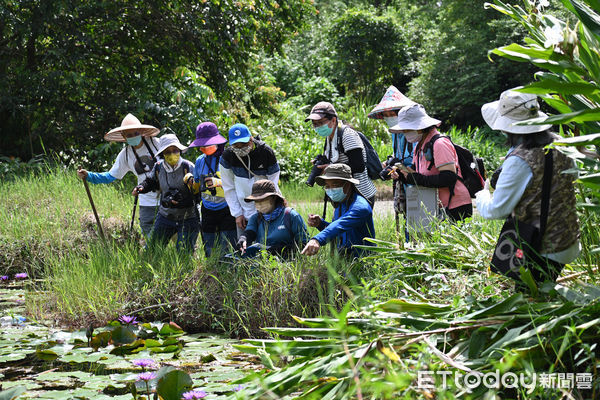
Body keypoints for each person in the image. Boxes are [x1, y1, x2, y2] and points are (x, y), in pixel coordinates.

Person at [477, 88, 580, 283]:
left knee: (529, 303)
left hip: (539, 246)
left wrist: (482, 194)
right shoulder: (562, 143)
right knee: (542, 295)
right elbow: (570, 178)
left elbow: (495, 210)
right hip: (567, 238)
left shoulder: (519, 160)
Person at [77, 113, 160, 237]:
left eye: (136, 133)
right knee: (151, 238)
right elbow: (110, 176)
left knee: (174, 233)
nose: (133, 137)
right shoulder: (126, 154)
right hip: (146, 201)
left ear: (141, 131)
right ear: (123, 136)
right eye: (129, 135)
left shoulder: (156, 143)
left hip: (165, 197)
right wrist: (89, 175)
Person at [390, 104, 473, 222]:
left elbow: (449, 177)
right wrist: (402, 175)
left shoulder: (440, 144)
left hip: (455, 206)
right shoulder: (420, 146)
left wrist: (416, 179)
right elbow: (416, 173)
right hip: (436, 206)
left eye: (406, 129)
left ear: (419, 127)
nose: (404, 133)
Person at [133, 134, 200, 253]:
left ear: (179, 150)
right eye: (167, 152)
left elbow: (198, 193)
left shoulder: (188, 167)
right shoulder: (159, 167)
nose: (172, 154)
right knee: (152, 250)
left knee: (184, 253)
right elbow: (150, 182)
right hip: (165, 216)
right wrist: (141, 187)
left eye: (175, 150)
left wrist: (183, 202)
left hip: (188, 217)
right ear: (162, 154)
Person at [305, 102, 377, 207]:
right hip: (343, 194)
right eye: (314, 124)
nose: (317, 127)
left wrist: (330, 168)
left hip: (359, 194)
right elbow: (337, 160)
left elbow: (359, 166)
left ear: (333, 120)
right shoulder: (330, 136)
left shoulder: (347, 135)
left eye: (320, 123)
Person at [367, 85, 415, 233]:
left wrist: (401, 169)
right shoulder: (395, 133)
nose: (388, 118)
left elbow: (416, 160)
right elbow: (398, 155)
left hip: (416, 182)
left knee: (417, 221)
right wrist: (389, 164)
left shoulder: (415, 131)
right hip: (403, 182)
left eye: (390, 114)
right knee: (405, 217)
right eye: (385, 115)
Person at [219, 123, 280, 238]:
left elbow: (274, 183)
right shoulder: (227, 156)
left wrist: (270, 208)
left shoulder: (266, 152)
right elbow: (228, 187)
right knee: (245, 247)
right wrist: (237, 214)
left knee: (270, 244)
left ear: (251, 139)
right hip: (244, 212)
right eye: (236, 145)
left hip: (268, 210)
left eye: (244, 144)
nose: (240, 148)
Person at [301, 164, 375, 258]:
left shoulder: (360, 207)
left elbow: (340, 225)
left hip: (362, 261)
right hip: (344, 259)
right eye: (327, 186)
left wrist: (317, 240)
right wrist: (320, 224)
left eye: (335, 185)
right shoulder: (341, 203)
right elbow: (338, 231)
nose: (331, 189)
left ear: (348, 184)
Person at [188, 122, 237, 257]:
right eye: (201, 146)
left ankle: (228, 272)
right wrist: (191, 182)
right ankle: (212, 272)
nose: (203, 148)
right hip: (208, 210)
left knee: (227, 248)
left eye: (206, 145)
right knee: (209, 248)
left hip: (227, 209)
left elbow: (237, 183)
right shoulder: (200, 161)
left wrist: (218, 182)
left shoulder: (228, 158)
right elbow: (197, 187)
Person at [236, 180, 309, 259]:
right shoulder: (255, 218)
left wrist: (280, 250)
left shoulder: (291, 215)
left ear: (274, 198)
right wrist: (243, 238)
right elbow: (250, 233)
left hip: (289, 265)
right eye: (256, 201)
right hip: (263, 265)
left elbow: (304, 243)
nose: (259, 204)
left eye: (263, 200)